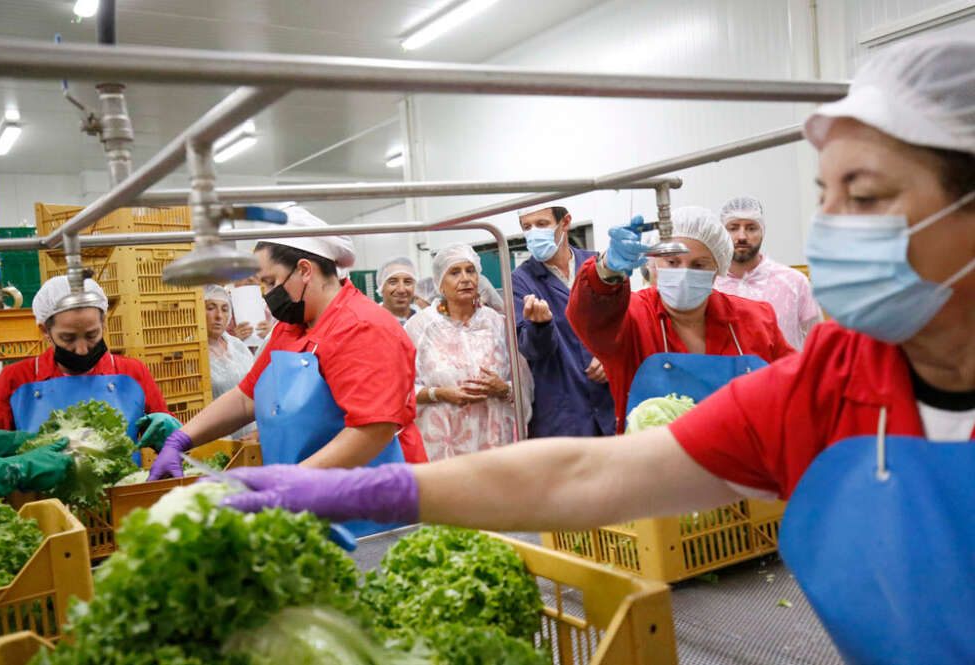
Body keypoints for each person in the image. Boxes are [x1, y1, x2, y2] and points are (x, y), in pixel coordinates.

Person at [214, 39, 975, 664]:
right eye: (828, 194)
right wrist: (375, 492)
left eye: (866, 197)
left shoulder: (774, 335)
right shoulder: (838, 376)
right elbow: (588, 470)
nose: (831, 224)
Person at [148, 207, 427, 534]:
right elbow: (244, 398)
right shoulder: (292, 326)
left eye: (270, 282)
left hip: (363, 511)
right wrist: (182, 438)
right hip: (304, 504)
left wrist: (287, 484)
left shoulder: (362, 328)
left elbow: (372, 430)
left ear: (305, 270)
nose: (266, 294)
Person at [567, 205, 795, 432]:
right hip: (655, 463)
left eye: (699, 264)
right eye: (673, 262)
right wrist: (606, 270)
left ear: (718, 269)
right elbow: (589, 317)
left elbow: (795, 384)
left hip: (744, 463)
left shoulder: (756, 319)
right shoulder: (631, 316)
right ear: (654, 263)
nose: (684, 273)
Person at [0, 275, 179, 454]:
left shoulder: (131, 373)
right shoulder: (17, 378)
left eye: (92, 335)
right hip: (41, 496)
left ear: (104, 323)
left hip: (121, 493)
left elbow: (166, 441)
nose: (82, 349)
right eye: (68, 338)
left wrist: (171, 434)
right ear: (44, 331)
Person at [404, 244, 531, 460]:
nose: (465, 278)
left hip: (496, 441)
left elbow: (525, 385)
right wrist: (440, 393)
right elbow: (401, 390)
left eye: (470, 271)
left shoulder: (498, 324)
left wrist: (503, 389)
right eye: (454, 272)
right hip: (441, 445)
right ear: (439, 283)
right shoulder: (420, 327)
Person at [513, 205, 615, 437]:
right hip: (563, 411)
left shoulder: (596, 264)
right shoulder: (520, 281)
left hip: (609, 401)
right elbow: (531, 350)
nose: (534, 233)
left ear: (565, 222)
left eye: (542, 224)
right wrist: (540, 326)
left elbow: (623, 323)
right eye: (527, 227)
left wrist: (611, 357)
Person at [714, 196, 824, 349]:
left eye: (751, 228)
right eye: (733, 228)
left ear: (763, 231)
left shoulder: (794, 282)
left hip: (786, 372)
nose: (742, 237)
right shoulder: (711, 286)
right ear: (721, 233)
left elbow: (819, 342)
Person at [204, 285, 256, 440]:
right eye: (211, 308)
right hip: (216, 439)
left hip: (250, 438)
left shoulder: (238, 346)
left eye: (225, 309)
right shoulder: (192, 351)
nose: (219, 316)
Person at [377, 257, 419, 324]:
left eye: (407, 282)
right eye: (393, 282)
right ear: (381, 285)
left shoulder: (424, 320)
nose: (401, 290)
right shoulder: (370, 320)